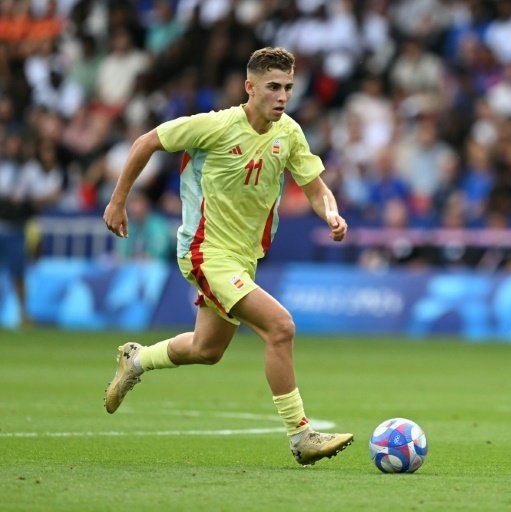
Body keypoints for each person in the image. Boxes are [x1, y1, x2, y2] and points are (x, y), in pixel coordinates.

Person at [102, 47, 353, 466]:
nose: (282, 96)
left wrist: (331, 212)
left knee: (207, 349)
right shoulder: (214, 126)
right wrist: (118, 201)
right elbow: (147, 142)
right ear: (249, 87)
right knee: (280, 327)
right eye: (273, 87)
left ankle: (137, 359)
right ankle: (301, 435)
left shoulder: (289, 134)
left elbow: (315, 187)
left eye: (288, 87)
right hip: (204, 251)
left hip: (243, 258)